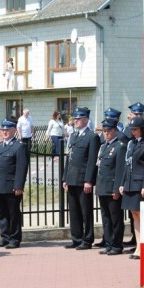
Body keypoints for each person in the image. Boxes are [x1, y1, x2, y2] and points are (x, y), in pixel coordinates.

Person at [62, 107, 101, 250]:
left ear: (86, 120)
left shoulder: (92, 136)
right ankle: (76, 238)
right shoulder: (73, 136)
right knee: (74, 211)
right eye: (75, 119)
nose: (76, 121)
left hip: (83, 179)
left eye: (79, 119)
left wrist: (89, 180)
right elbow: (69, 159)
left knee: (86, 212)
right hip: (72, 178)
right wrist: (64, 178)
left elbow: (92, 161)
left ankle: (87, 239)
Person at [0, 119, 28, 249]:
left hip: (11, 186)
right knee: (2, 213)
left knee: (13, 213)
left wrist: (19, 186)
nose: (4, 132)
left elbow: (21, 168)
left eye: (7, 129)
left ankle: (15, 238)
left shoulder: (19, 146)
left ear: (14, 131)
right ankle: (5, 237)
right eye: (3, 129)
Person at [95, 118, 126, 256]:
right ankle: (108, 243)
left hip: (112, 188)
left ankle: (117, 245)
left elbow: (120, 170)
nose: (106, 134)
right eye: (104, 131)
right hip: (103, 187)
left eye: (108, 131)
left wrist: (116, 189)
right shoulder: (104, 146)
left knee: (116, 218)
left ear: (115, 131)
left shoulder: (120, 146)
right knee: (106, 218)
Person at [119, 117, 144, 260]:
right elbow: (127, 164)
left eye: (135, 129)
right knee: (134, 215)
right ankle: (138, 246)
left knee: (141, 215)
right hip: (130, 183)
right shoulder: (131, 144)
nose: (133, 132)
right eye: (132, 130)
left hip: (139, 183)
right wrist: (123, 183)